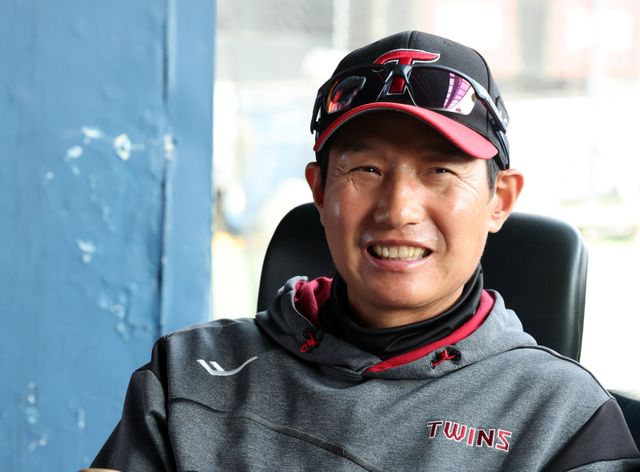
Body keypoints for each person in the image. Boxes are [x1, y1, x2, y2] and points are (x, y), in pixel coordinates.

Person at [91, 31, 640, 471]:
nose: (397, 209)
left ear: (500, 201)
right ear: (319, 190)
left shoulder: (563, 422)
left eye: (440, 171)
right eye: (367, 169)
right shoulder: (187, 374)